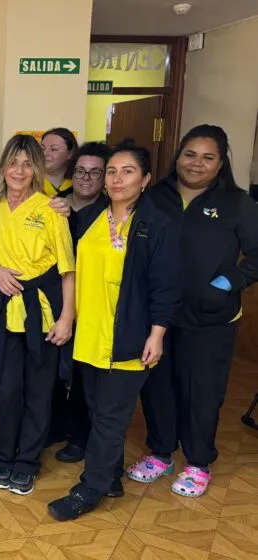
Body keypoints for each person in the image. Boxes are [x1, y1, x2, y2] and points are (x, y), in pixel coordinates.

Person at [48, 142, 179, 521]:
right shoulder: (90, 217)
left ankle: (90, 488)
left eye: (127, 171)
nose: (117, 179)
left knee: (110, 417)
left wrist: (157, 333)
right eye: (112, 171)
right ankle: (112, 479)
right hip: (90, 335)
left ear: (146, 180)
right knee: (96, 409)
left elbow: (165, 285)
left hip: (130, 338)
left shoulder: (156, 225)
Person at [129, 125, 258, 498]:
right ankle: (160, 453)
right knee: (157, 386)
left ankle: (198, 462)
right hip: (157, 316)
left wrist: (226, 284)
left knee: (201, 392)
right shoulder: (153, 197)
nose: (196, 163)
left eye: (208, 157)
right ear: (177, 156)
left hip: (210, 319)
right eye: (190, 154)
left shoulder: (238, 203)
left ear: (220, 164)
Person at [0, 134, 75, 496]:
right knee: (5, 391)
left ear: (37, 168)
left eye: (27, 163)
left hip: (43, 314)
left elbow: (68, 269)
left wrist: (67, 318)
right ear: (3, 166)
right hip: (3, 315)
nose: (19, 170)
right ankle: (5, 456)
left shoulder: (51, 209)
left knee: (38, 392)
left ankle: (27, 462)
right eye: (13, 162)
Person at [50, 141, 111, 463]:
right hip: (54, 303)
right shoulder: (54, 205)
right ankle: (56, 427)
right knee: (54, 370)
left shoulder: (111, 213)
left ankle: (81, 436)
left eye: (95, 172)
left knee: (84, 375)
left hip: (94, 307)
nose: (86, 178)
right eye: (81, 171)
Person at [41, 128, 79, 197]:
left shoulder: (79, 185)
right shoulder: (30, 182)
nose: (45, 153)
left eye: (53, 149)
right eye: (42, 148)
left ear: (70, 154)